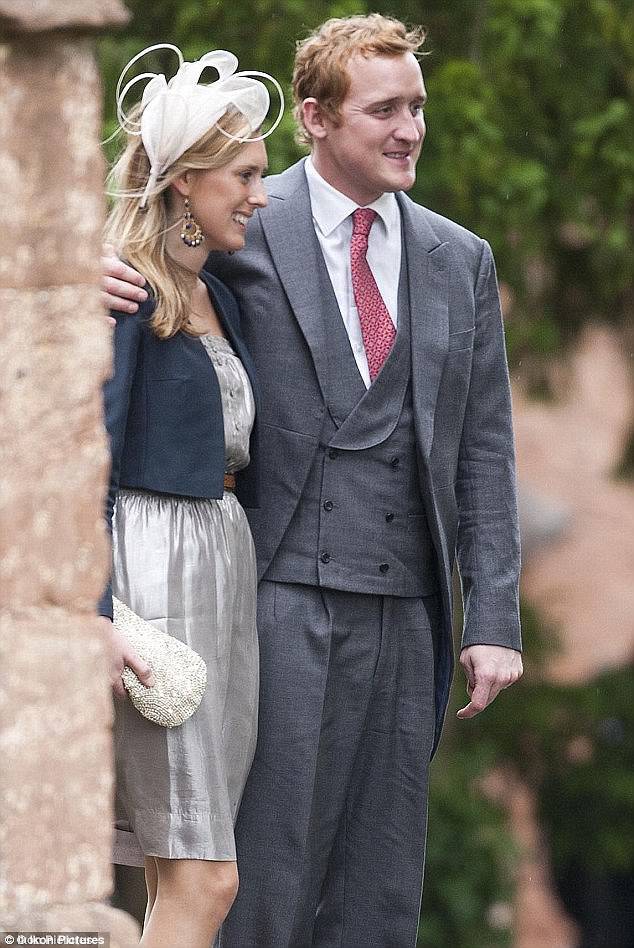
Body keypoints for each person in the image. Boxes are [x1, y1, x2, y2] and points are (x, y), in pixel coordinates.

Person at [102, 15, 523, 948]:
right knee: (261, 880)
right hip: (272, 597)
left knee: (382, 889)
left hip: (409, 608)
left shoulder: (460, 258)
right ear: (318, 117)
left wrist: (493, 616)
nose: (410, 129)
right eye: (384, 110)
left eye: (417, 106)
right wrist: (80, 274)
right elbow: (148, 251)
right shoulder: (246, 215)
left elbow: (484, 448)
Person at [98, 44, 282, 948]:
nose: (260, 194)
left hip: (222, 573)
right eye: (244, 175)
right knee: (207, 879)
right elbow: (86, 461)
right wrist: (95, 614)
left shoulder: (221, 297)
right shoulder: (121, 293)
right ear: (184, 182)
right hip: (155, 576)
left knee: (179, 873)